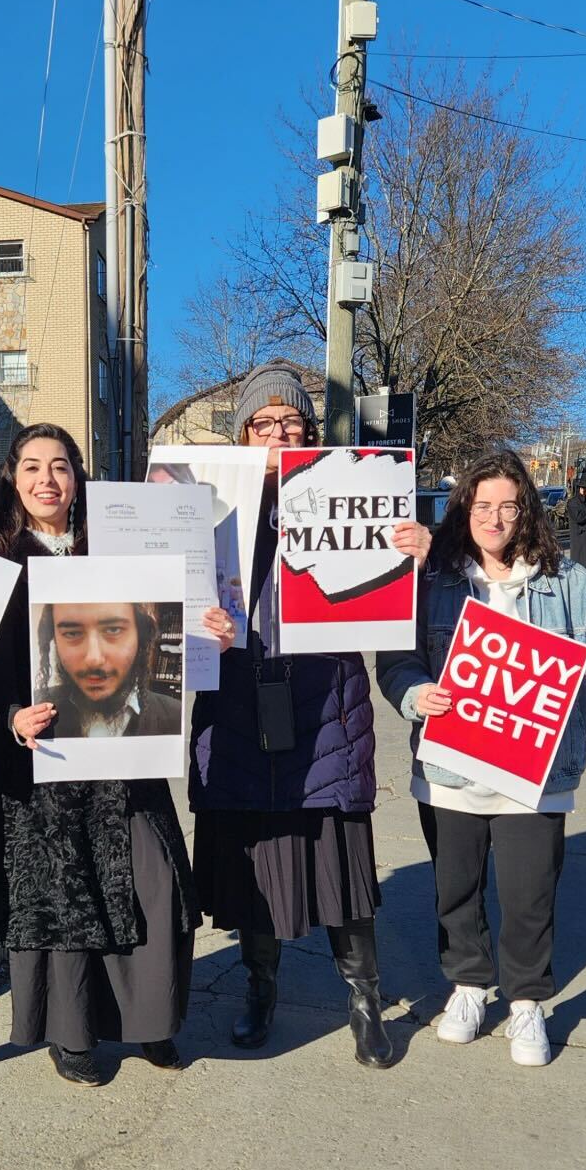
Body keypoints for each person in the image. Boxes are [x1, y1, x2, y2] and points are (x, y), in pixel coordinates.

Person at [376, 448, 586, 1066]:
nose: (495, 518)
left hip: (535, 774)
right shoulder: (432, 580)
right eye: (482, 506)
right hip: (450, 769)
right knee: (457, 890)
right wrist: (416, 693)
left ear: (526, 511)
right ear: (464, 512)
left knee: (530, 894)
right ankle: (470, 986)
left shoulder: (565, 583)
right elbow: (396, 660)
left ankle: (528, 1002)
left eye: (508, 506)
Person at [189, 361, 432, 1067]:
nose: (277, 433)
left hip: (322, 697)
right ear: (241, 433)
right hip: (235, 700)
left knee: (338, 861)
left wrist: (412, 553)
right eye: (262, 423)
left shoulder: (349, 494)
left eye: (290, 422)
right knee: (257, 863)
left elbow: (392, 600)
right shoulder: (210, 507)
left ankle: (364, 1001)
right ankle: (259, 990)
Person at [0, 423, 201, 1086]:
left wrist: (203, 621)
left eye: (60, 466)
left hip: (124, 751)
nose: (47, 479)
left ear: (77, 478)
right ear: (12, 479)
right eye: (31, 467)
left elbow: (168, 617)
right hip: (40, 754)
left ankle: (151, 1018)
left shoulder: (117, 545)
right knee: (63, 891)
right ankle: (71, 1033)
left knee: (152, 882)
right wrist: (9, 710)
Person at [32, 600, 183, 737]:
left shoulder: (177, 716)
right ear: (54, 639)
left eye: (113, 630)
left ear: (140, 637)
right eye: (72, 633)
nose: (94, 659)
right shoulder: (36, 707)